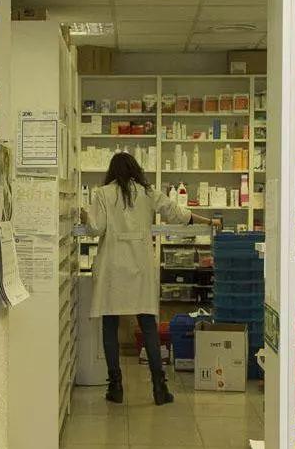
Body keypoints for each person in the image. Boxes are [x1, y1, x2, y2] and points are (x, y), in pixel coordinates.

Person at [81, 152, 219, 406]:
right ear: (136, 169)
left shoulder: (102, 193)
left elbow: (95, 229)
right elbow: (178, 214)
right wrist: (209, 221)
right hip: (140, 267)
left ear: (112, 171)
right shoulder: (147, 192)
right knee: (148, 326)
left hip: (112, 267)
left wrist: (83, 217)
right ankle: (159, 388)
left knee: (109, 326)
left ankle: (116, 387)